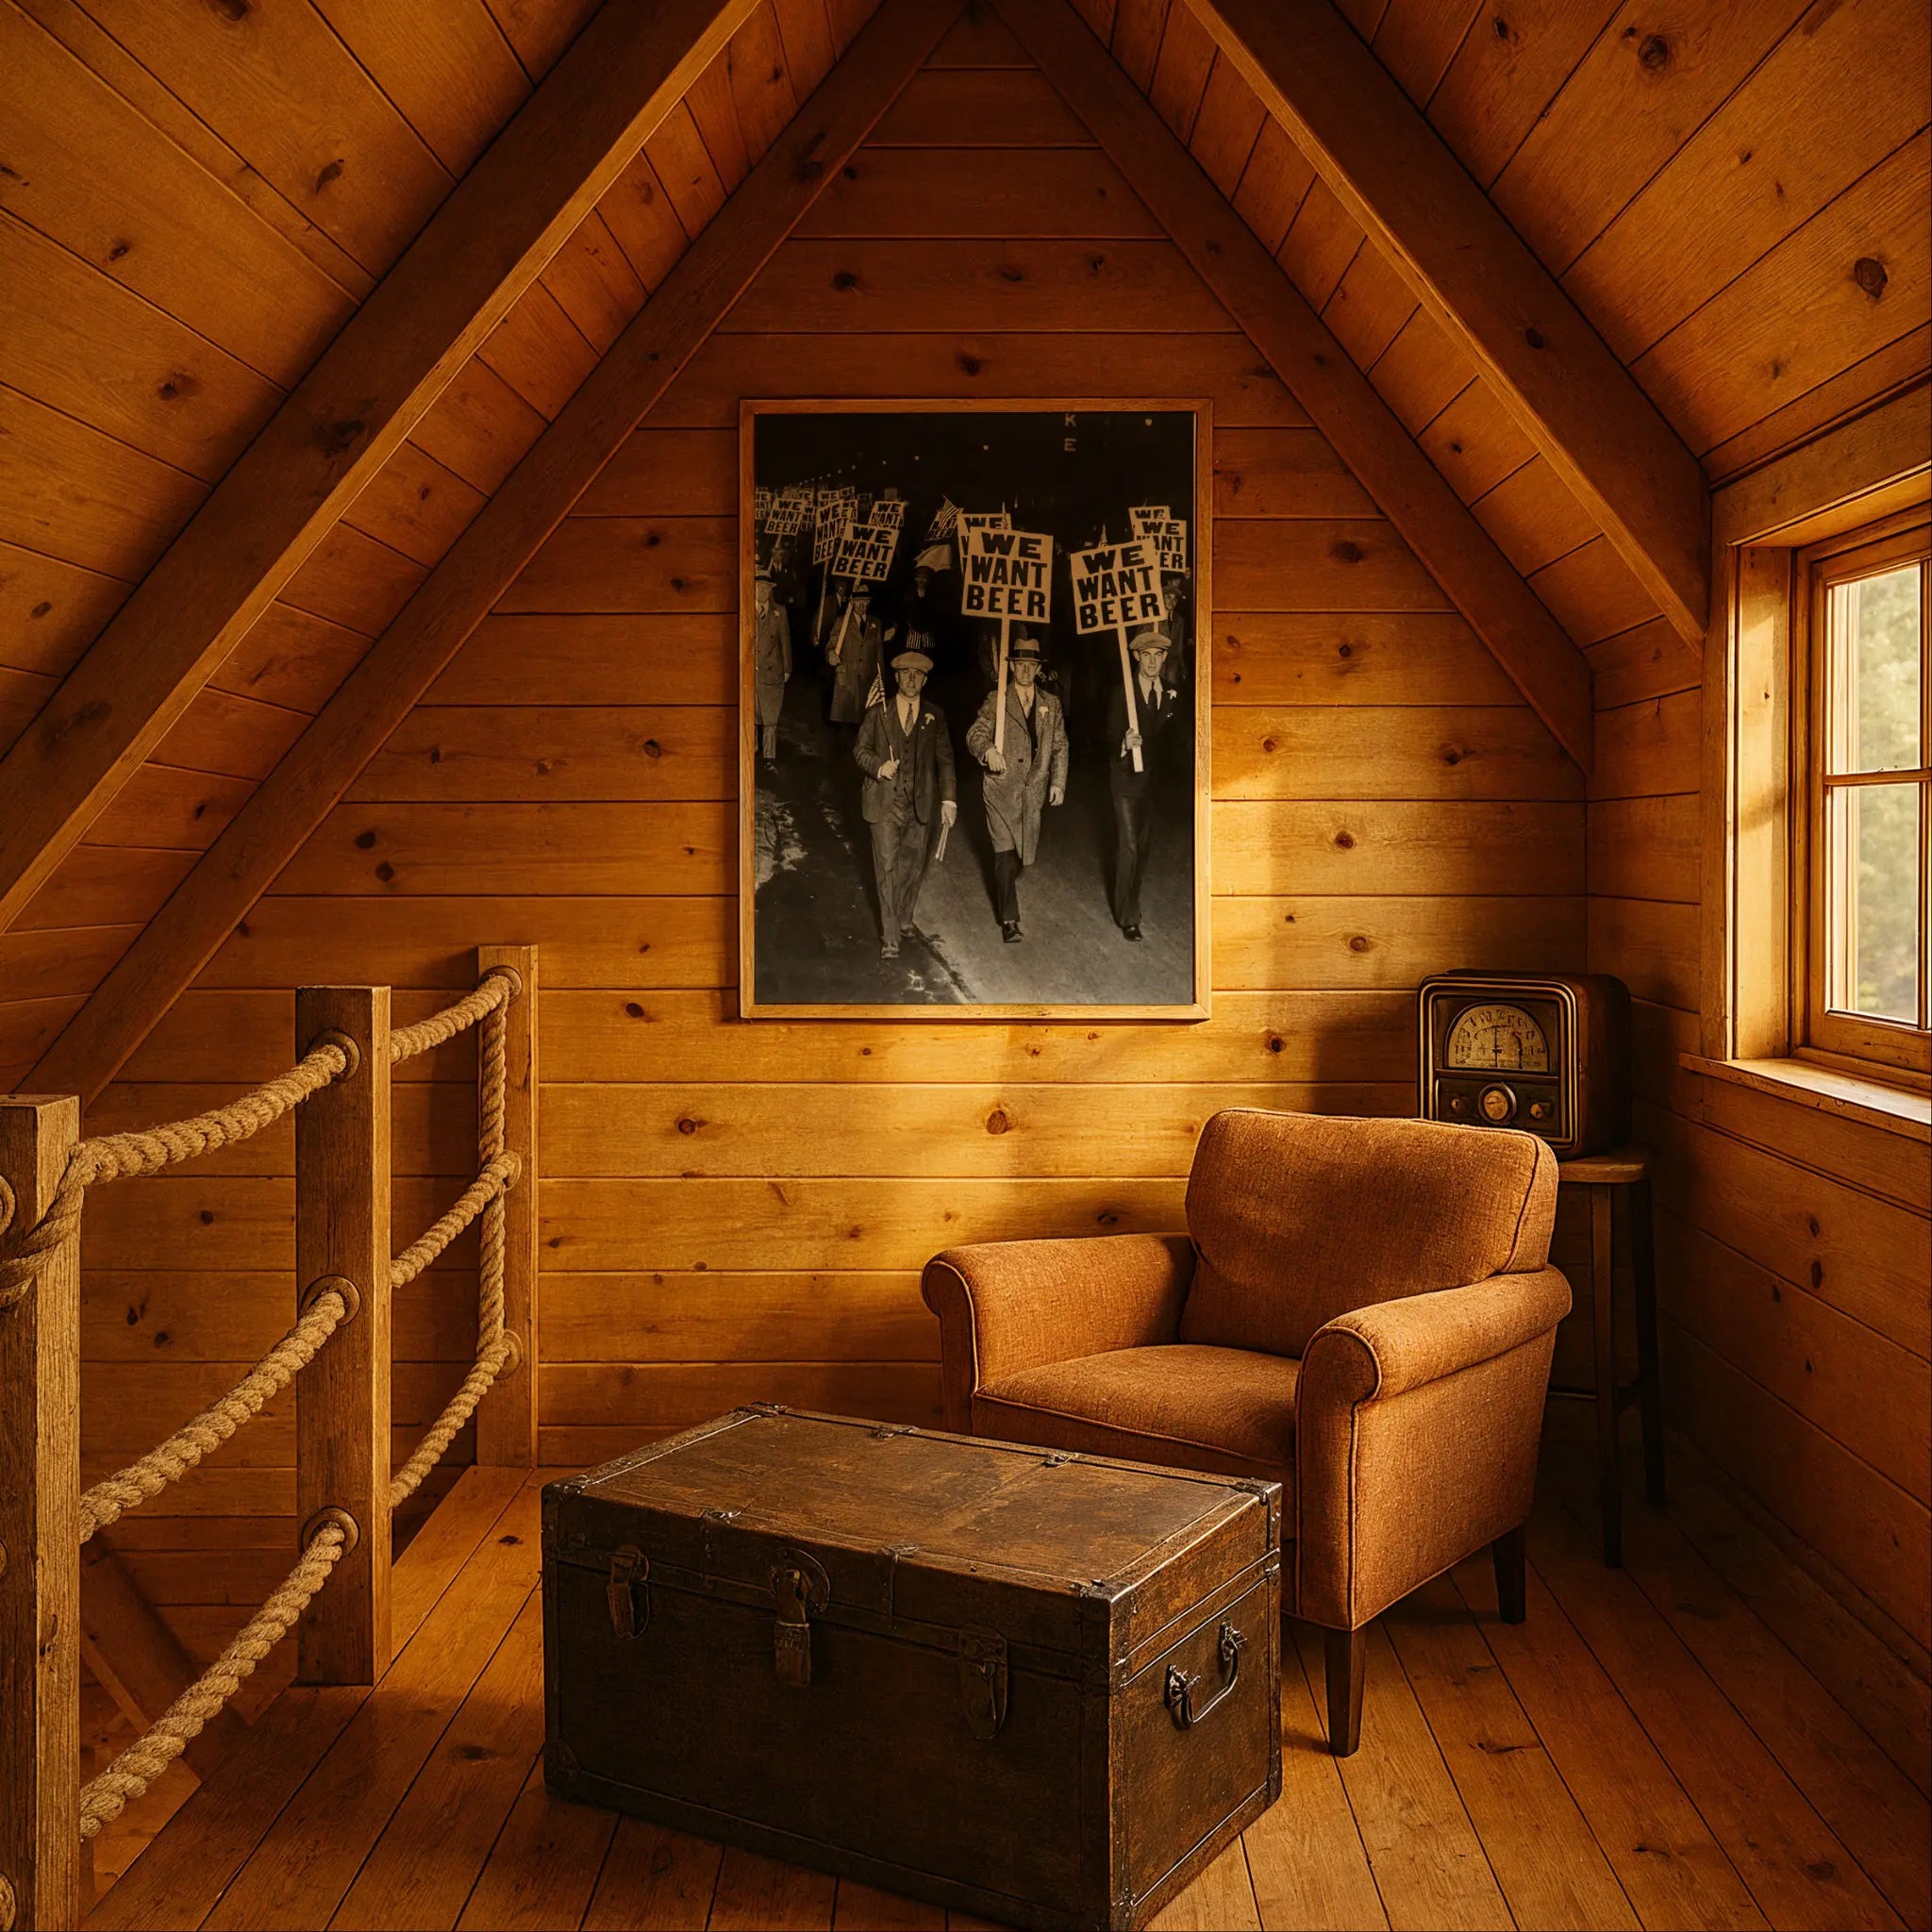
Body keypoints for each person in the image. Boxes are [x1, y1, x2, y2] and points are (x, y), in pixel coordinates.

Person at [965, 634, 1067, 944]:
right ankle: (1009, 919)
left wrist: (1058, 782)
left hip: (1031, 793)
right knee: (1005, 857)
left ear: (1038, 669)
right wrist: (987, 751)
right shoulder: (997, 700)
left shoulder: (1051, 704)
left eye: (1031, 664)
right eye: (1020, 664)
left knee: (1021, 858)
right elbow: (974, 733)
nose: (1025, 670)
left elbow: (1061, 746)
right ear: (1012, 668)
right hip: (1000, 789)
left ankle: (1008, 891)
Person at [854, 650, 958, 958]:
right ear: (896, 676)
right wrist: (878, 766)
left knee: (912, 868)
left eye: (918, 675)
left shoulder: (935, 716)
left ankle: (904, 916)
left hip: (919, 806)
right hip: (883, 804)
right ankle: (890, 938)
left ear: (924, 680)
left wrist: (949, 799)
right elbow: (859, 750)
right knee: (887, 868)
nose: (911, 680)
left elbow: (946, 761)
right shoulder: (878, 713)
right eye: (906, 673)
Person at [1104, 626, 1183, 940]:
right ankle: (1128, 916)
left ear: (1165, 658)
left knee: (1145, 847)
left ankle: (1132, 900)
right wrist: (1123, 742)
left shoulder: (1173, 692)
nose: (1152, 662)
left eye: (1158, 655)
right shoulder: (1121, 692)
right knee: (1130, 846)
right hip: (1124, 779)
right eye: (1146, 655)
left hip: (1154, 784)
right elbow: (1107, 736)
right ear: (1136, 657)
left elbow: (1179, 741)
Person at [828, 585, 886, 730]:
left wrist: (881, 680)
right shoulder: (842, 621)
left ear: (869, 602)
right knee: (845, 726)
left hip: (868, 681)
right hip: (847, 680)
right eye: (859, 600)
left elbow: (879, 653)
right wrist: (831, 654)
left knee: (865, 725)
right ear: (852, 602)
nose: (862, 604)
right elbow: (832, 643)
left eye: (865, 600)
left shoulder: (875, 623)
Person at [750, 565, 791, 765]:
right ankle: (752, 749)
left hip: (772, 672)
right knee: (752, 713)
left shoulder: (779, 612)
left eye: (767, 588)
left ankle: (769, 757)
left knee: (770, 714)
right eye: (760, 587)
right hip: (751, 670)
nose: (763, 591)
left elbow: (785, 641)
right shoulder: (746, 610)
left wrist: (787, 668)